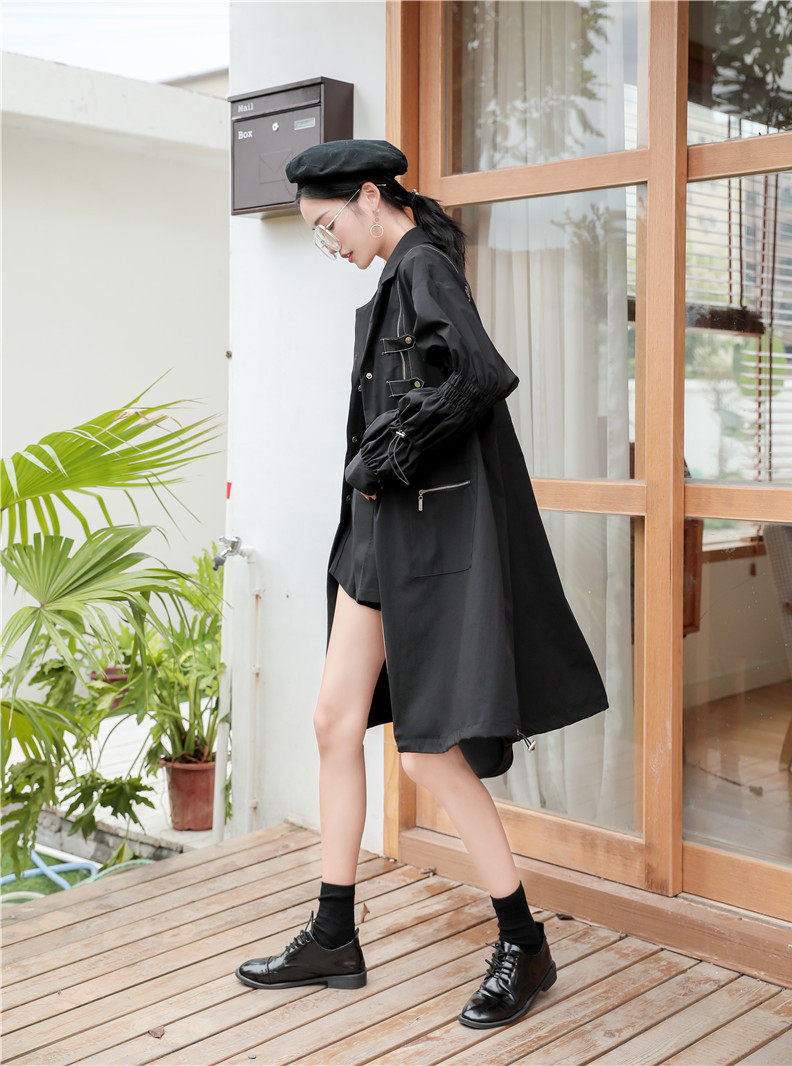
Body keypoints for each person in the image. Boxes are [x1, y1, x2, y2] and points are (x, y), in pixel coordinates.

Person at [235, 138, 607, 1028]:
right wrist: (375, 468)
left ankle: (524, 941)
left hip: (419, 543)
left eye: (329, 225)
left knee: (426, 751)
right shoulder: (396, 280)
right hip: (377, 541)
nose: (331, 244)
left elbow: (480, 374)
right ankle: (334, 934)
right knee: (333, 721)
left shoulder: (424, 266)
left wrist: (389, 451)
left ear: (370, 196)